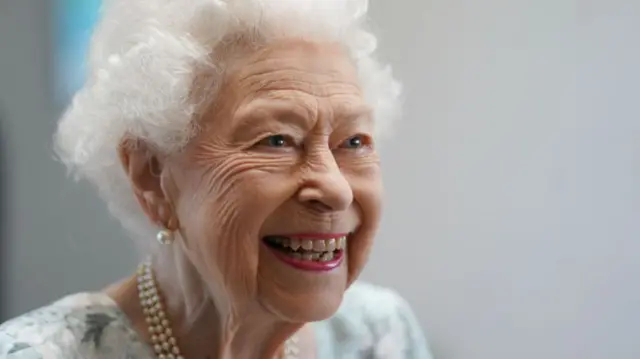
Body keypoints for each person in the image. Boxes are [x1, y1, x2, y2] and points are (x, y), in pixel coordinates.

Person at [0, 0, 432, 358]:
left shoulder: (381, 336)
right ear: (151, 174)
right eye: (277, 140)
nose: (336, 189)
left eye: (354, 142)